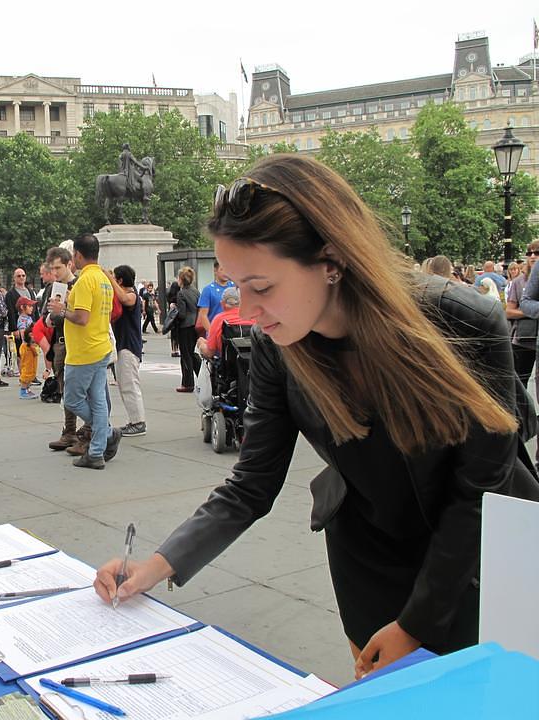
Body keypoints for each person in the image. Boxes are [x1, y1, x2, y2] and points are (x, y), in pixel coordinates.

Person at [93, 155, 539, 679]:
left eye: (262, 286)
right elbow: (251, 484)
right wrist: (155, 565)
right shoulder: (274, 346)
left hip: (485, 559)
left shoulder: (462, 318)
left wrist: (415, 624)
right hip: (368, 557)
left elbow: (477, 495)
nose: (248, 310)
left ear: (331, 260)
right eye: (236, 286)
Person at [47, 234, 121, 469]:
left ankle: (105, 433)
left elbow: (81, 317)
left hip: (84, 351)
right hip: (99, 347)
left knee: (72, 399)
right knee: (98, 400)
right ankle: (97, 450)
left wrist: (61, 309)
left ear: (78, 255)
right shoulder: (102, 278)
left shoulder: (86, 280)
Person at [41, 246, 86, 451]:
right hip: (61, 341)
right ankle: (70, 431)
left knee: (82, 391)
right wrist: (51, 316)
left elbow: (83, 316)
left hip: (79, 342)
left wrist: (64, 308)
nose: (55, 273)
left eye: (58, 268)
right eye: (53, 268)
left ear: (69, 264)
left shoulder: (80, 284)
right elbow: (45, 318)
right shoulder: (53, 287)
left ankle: (88, 432)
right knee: (65, 388)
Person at [107, 264, 146, 437]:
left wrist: (109, 279)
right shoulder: (127, 295)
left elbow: (125, 298)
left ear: (120, 280)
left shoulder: (132, 296)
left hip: (129, 346)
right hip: (124, 345)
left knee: (130, 384)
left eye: (115, 278)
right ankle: (134, 420)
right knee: (125, 384)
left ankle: (138, 422)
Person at [508, 240, 539, 389]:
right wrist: (531, 312)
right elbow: (509, 311)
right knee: (520, 382)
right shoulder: (518, 282)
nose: (532, 256)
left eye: (537, 252)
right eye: (529, 253)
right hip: (523, 339)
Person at [196, 287, 255, 361]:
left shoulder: (219, 320)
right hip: (253, 367)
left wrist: (201, 345)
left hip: (227, 367)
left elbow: (209, 353)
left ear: (222, 303)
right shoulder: (254, 318)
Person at [175, 266, 201, 392]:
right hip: (195, 324)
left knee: (185, 355)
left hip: (185, 326)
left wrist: (174, 309)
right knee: (192, 354)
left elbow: (182, 314)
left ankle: (187, 383)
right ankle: (202, 378)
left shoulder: (181, 293)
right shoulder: (195, 291)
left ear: (180, 279)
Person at [196, 261, 235, 334]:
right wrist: (212, 332)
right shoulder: (208, 290)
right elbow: (203, 315)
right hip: (216, 331)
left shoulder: (235, 287)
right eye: (222, 269)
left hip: (233, 331)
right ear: (215, 271)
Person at [16, 297, 39, 399]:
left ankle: (27, 389)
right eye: (29, 306)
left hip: (31, 346)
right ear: (22, 307)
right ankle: (23, 390)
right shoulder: (22, 319)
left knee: (32, 368)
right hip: (27, 346)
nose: (32, 308)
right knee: (27, 368)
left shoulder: (29, 318)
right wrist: (30, 340)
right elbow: (23, 333)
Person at [166, 277, 180, 357]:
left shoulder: (169, 296)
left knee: (173, 333)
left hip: (171, 316)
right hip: (177, 316)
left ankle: (173, 349)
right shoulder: (178, 296)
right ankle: (177, 349)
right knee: (177, 334)